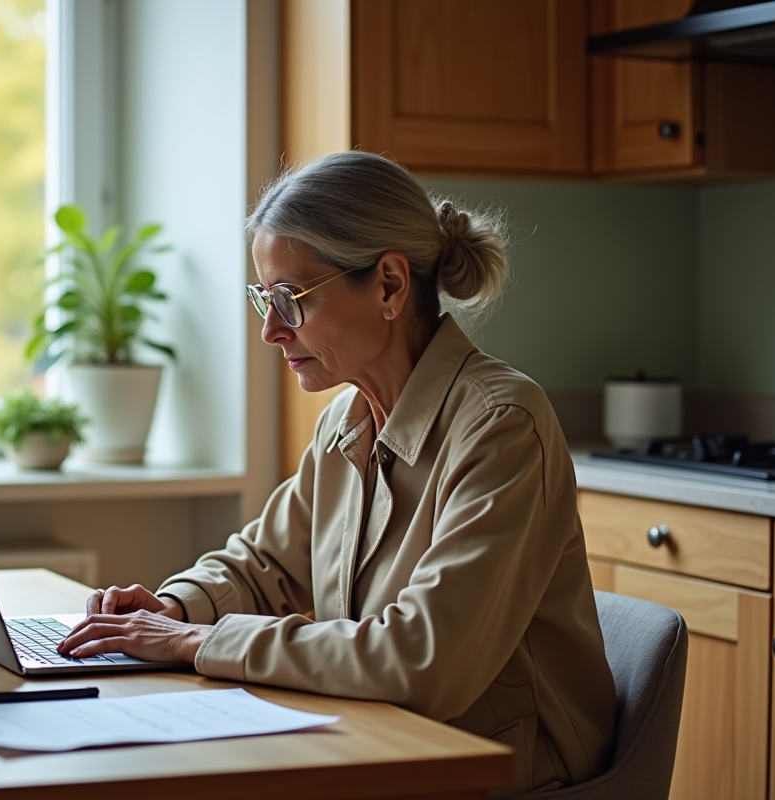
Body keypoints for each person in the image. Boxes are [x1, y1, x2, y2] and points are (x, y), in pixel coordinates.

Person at [57, 150, 615, 794]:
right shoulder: (347, 419)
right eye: (263, 298)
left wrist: (190, 641)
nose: (270, 330)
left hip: (501, 770)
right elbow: (262, 565)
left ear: (388, 285)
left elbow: (420, 662)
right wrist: (176, 605)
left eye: (290, 299)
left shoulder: (501, 424)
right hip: (376, 741)